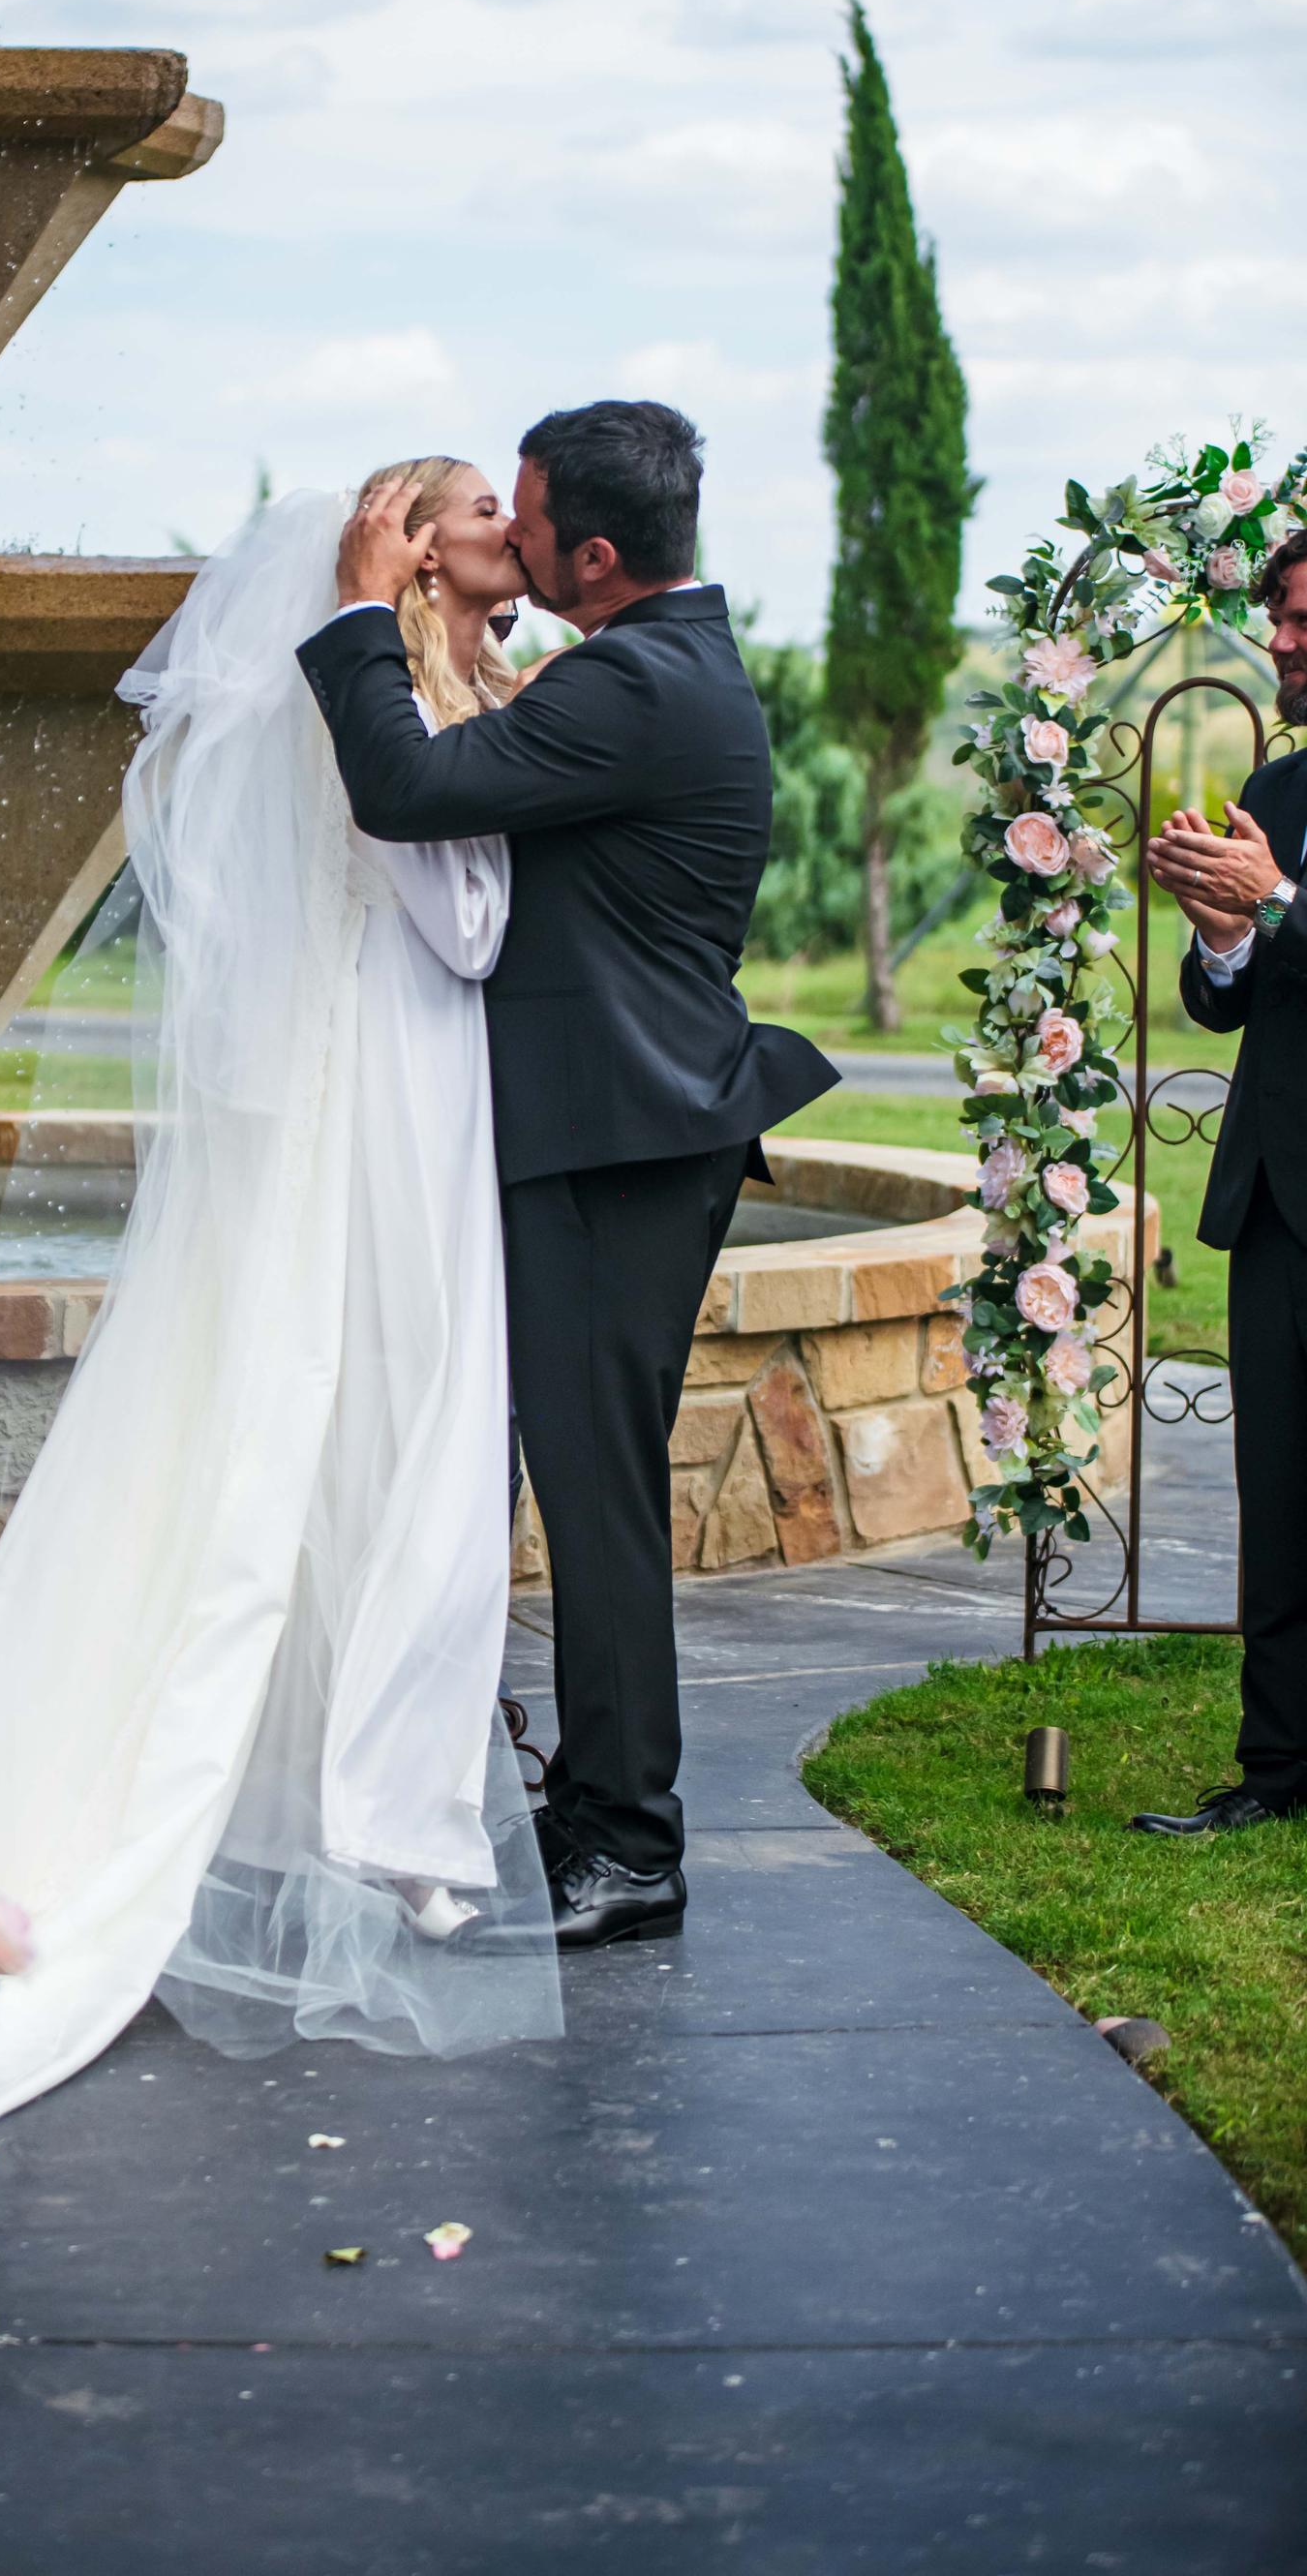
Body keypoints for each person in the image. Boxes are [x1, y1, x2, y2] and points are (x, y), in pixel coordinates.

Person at [0, 465, 563, 2170]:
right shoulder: (371, 698)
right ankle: (380, 1811)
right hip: (389, 1100)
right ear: (402, 541)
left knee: (348, 1425)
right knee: (386, 1426)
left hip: (371, 1094)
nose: (500, 529)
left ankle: (372, 1801)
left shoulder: (402, 683)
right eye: (467, 505)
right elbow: (463, 928)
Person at [298, 400, 837, 1948]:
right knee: (587, 1482)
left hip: (622, 1139)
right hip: (622, 1129)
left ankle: (630, 1846)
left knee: (599, 1498)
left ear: (594, 556)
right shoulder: (641, 668)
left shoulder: (635, 687)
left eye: (528, 525)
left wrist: (352, 610)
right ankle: (597, 1805)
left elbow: (404, 792)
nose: (514, 544)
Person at [1134, 525, 1307, 1834]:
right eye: (1280, 617)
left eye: (1302, 619)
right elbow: (1228, 1002)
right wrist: (1224, 934)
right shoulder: (1284, 786)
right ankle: (1276, 1774)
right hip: (1275, 1198)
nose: (1283, 641)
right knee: (1279, 1502)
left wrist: (1283, 905)